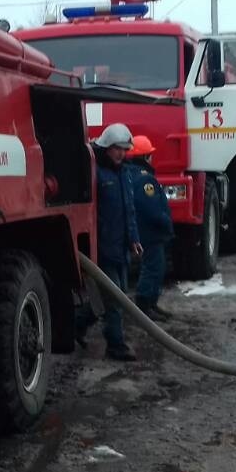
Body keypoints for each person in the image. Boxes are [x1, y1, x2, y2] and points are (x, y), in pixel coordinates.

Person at [77, 123, 143, 361]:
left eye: (124, 149)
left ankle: (77, 324)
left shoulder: (125, 173)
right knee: (115, 298)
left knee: (115, 296)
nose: (121, 154)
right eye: (117, 149)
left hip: (121, 247)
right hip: (102, 249)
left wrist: (134, 239)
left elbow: (130, 211)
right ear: (106, 147)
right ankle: (115, 345)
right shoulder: (96, 173)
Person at [125, 135, 175, 321]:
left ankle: (151, 304)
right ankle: (146, 305)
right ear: (145, 157)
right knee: (153, 268)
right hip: (151, 233)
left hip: (144, 231)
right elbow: (152, 209)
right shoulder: (145, 180)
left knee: (155, 267)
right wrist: (167, 223)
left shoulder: (130, 174)